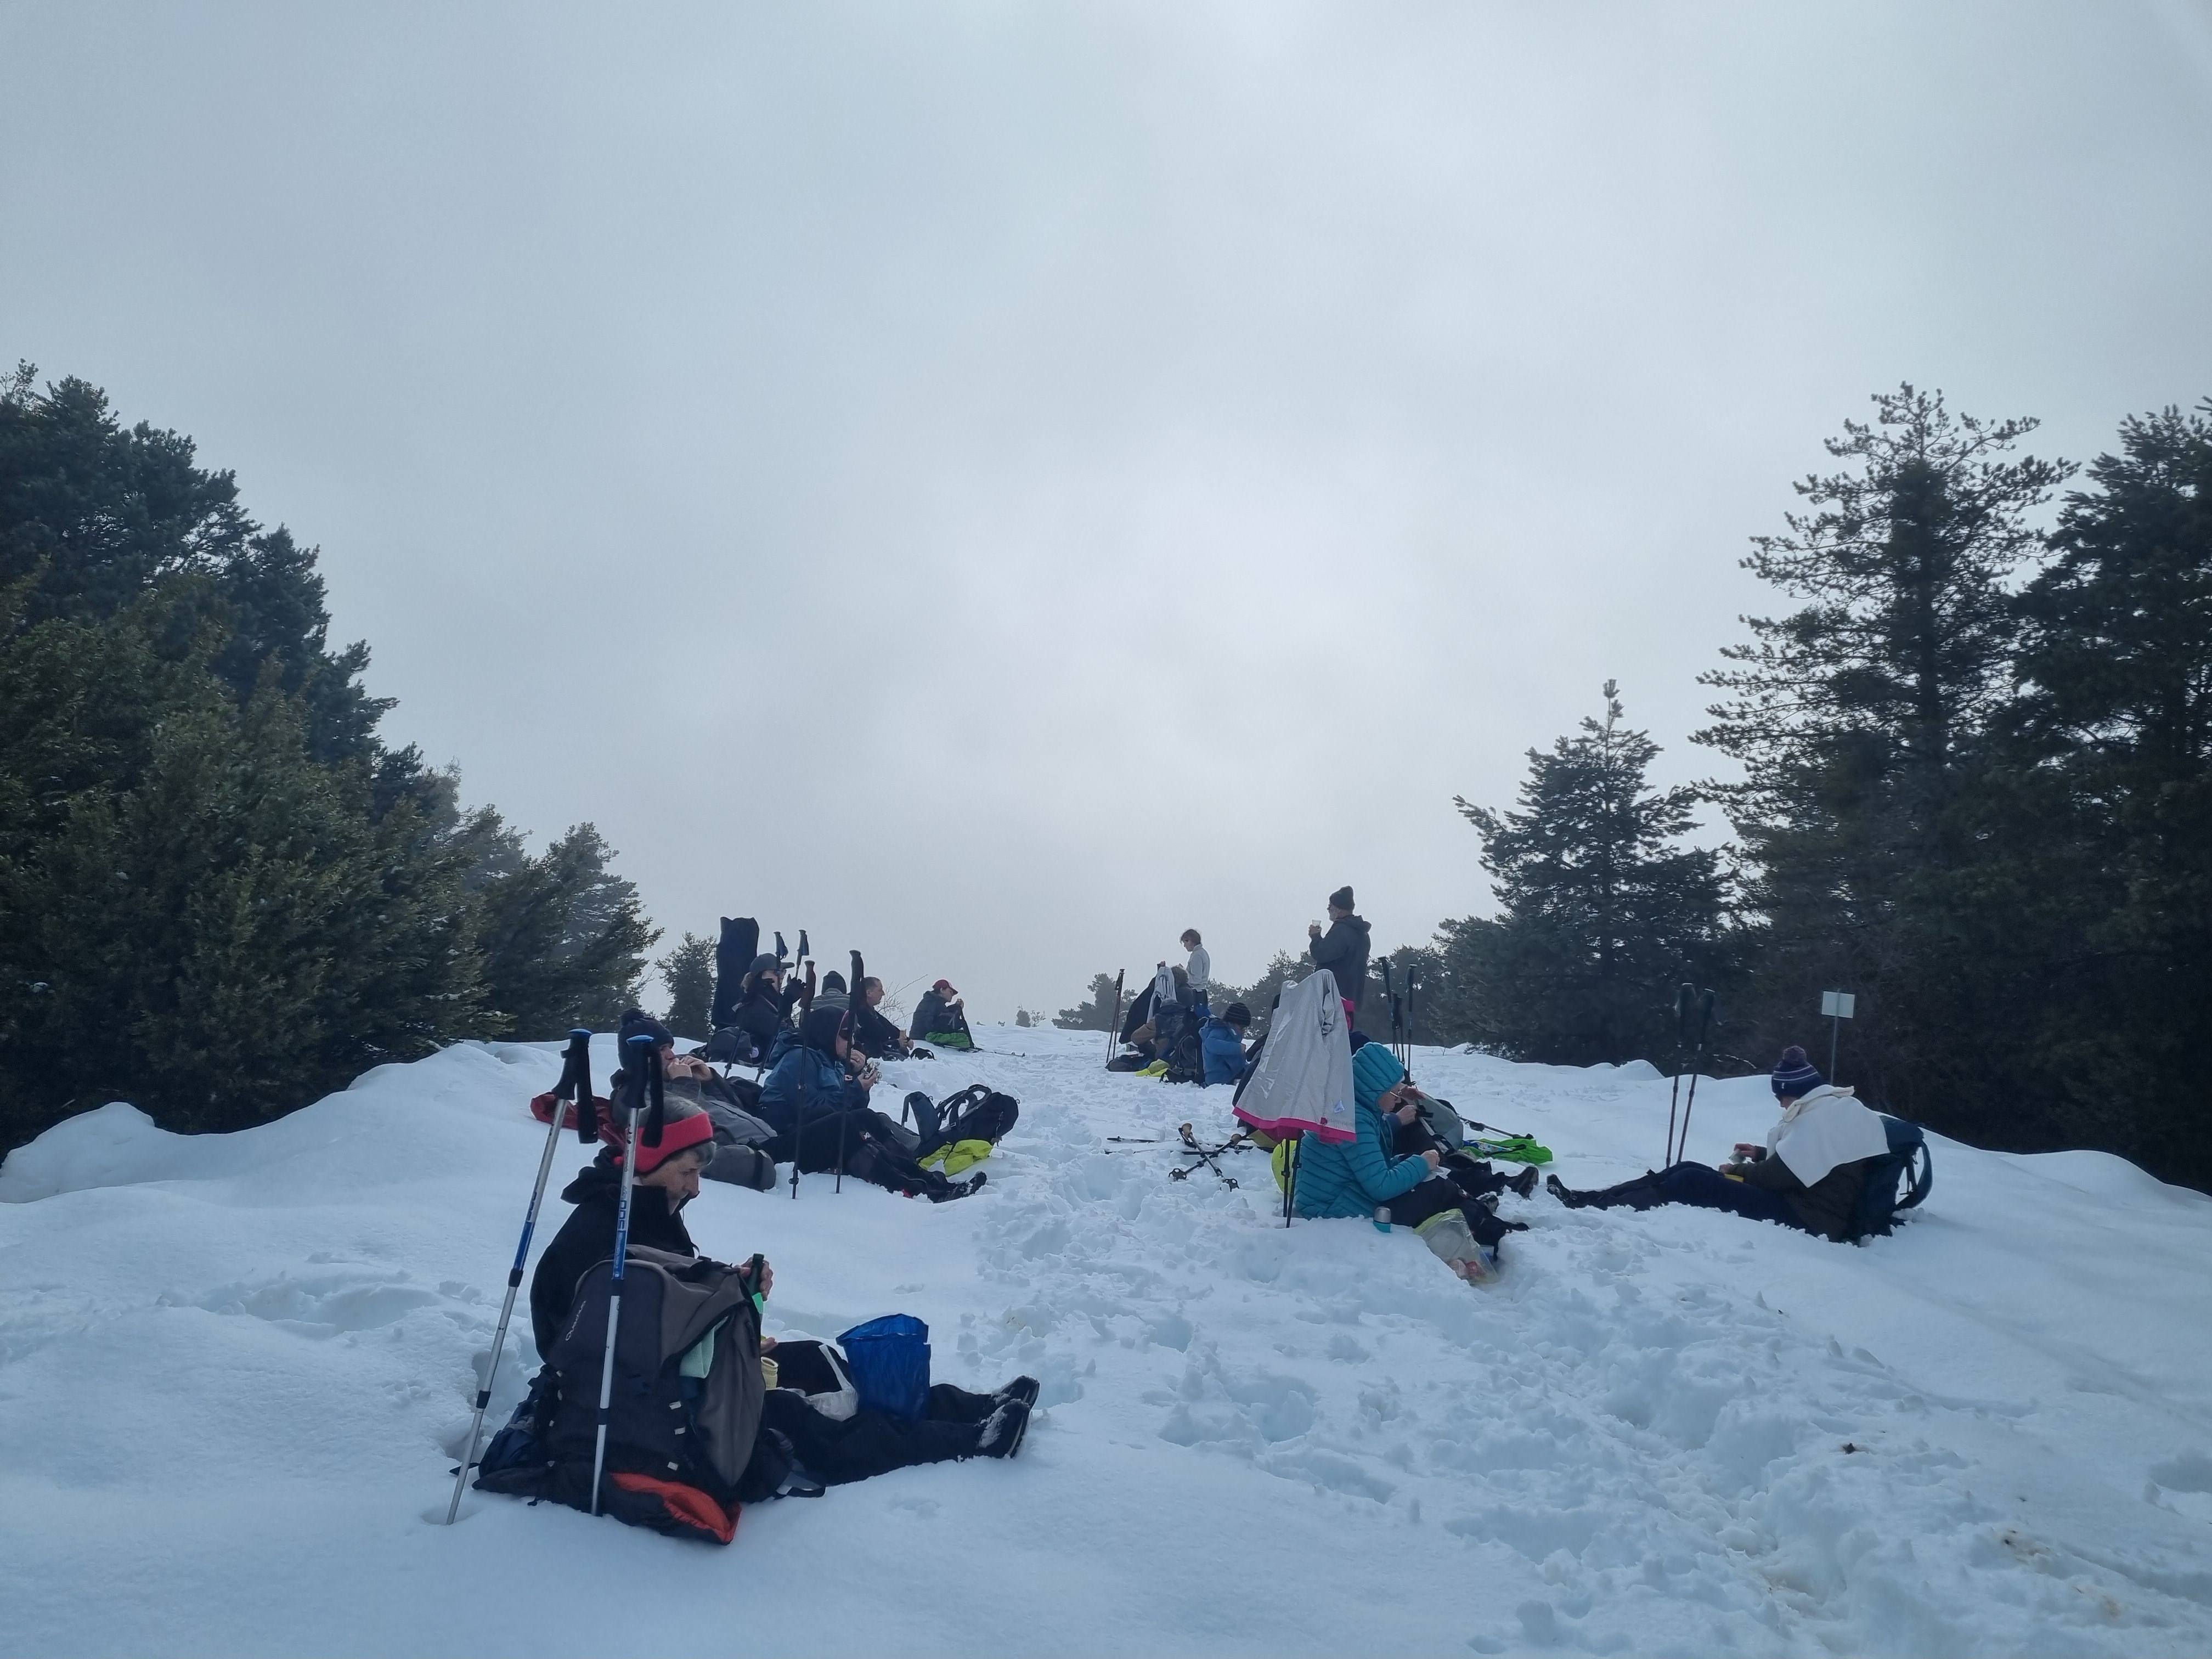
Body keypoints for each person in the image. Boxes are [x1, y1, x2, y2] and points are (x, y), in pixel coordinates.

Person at [527, 1096, 1034, 1488]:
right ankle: (965, 1440)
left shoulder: (645, 1207)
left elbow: (673, 1294)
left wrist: (734, 1298)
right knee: (790, 1415)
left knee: (813, 1359)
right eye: (687, 1172)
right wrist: (726, 1321)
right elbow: (607, 1346)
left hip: (685, 1370)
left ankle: (964, 1407)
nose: (696, 1188)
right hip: (637, 1404)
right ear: (648, 1162)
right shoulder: (604, 1231)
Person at [1545, 1046, 1895, 1242]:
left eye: (1781, 1098)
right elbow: (1820, 1158)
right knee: (1687, 1168)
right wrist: (1761, 1154)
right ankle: (1593, 1199)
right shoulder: (1837, 1108)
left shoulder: (1820, 1118)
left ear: (1792, 1092)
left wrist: (1736, 1171)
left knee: (1690, 1181)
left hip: (1810, 1217)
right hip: (1809, 1202)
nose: (1781, 1105)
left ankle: (1599, 1207)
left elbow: (1777, 1178)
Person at [1291, 1043, 1524, 1282]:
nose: (1398, 1099)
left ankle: (1480, 1219)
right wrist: (1422, 1164)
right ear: (1375, 1090)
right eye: (1395, 1093)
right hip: (1335, 1207)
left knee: (1423, 1171)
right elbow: (1381, 1186)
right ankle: (1490, 1230)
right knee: (1436, 1188)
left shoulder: (1351, 1107)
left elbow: (1368, 1150)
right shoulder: (1355, 1120)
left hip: (1342, 1193)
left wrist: (1413, 1158)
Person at [760, 1006, 983, 1201]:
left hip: (814, 1132)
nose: (852, 1042)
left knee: (869, 1118)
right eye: (846, 1035)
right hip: (785, 1140)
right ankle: (915, 1190)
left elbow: (854, 1110)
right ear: (826, 1033)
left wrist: (858, 1082)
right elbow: (810, 1108)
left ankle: (929, 1180)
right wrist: (855, 1088)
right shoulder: (798, 1059)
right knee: (847, 1126)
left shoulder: (831, 1061)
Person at [1307, 887, 1372, 1023]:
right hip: (1352, 998)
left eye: (1331, 905)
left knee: (1329, 1034)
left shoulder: (1342, 930)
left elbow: (1321, 953)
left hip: (1334, 999)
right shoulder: (1362, 934)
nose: (1328, 909)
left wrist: (1315, 937)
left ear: (1340, 909)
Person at [732, 955, 803, 1059]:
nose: (782, 977)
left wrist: (787, 1002)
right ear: (760, 976)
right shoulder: (752, 1006)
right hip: (753, 1067)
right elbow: (784, 1034)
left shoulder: (768, 1002)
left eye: (783, 972)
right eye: (776, 972)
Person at [853, 977, 912, 1060]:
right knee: (901, 1057)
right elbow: (879, 1036)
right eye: (880, 990)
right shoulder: (861, 1012)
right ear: (869, 993)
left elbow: (886, 1025)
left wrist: (906, 1039)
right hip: (866, 1055)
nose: (883, 994)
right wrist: (896, 1044)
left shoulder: (868, 1009)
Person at [1199, 1001, 1252, 1086]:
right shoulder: (1219, 1030)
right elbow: (1210, 1044)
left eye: (1245, 1028)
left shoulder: (1232, 1034)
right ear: (1232, 1023)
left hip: (1232, 1076)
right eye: (1242, 1027)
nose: (1243, 1031)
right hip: (1219, 1080)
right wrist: (1238, 1048)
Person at [910, 979, 970, 1047]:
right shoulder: (936, 1003)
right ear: (942, 990)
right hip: (926, 1037)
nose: (952, 995)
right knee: (964, 1039)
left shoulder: (931, 1001)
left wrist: (956, 1008)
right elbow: (945, 1025)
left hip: (920, 1036)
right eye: (950, 992)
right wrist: (957, 1009)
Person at [1181, 929, 1211, 994]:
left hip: (1196, 992)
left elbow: (1196, 979)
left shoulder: (1197, 955)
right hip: (1201, 991)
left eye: (1185, 943)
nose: (1184, 946)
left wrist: (1182, 974)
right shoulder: (1203, 952)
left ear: (1190, 941)